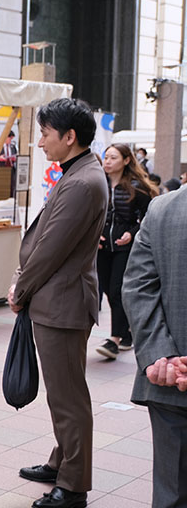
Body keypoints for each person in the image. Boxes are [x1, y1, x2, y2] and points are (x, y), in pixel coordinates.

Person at [11, 98, 108, 508]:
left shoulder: (83, 181)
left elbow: (50, 249)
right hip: (60, 299)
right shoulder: (80, 173)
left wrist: (21, 290)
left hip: (62, 301)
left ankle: (73, 484)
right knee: (63, 395)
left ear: (70, 137)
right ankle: (61, 462)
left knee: (68, 398)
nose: (42, 142)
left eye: (47, 134)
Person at [123, 184, 187, 508]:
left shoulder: (164, 210)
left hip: (171, 383)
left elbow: (138, 287)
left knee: (173, 498)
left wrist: (162, 355)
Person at [94, 144, 156, 361]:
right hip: (102, 247)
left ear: (126, 160)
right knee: (108, 292)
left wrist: (132, 233)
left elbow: (148, 218)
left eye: (113, 157)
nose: (108, 161)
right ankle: (127, 333)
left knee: (117, 289)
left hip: (124, 247)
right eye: (106, 157)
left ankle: (114, 339)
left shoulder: (137, 188)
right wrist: (96, 234)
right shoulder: (97, 184)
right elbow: (91, 214)